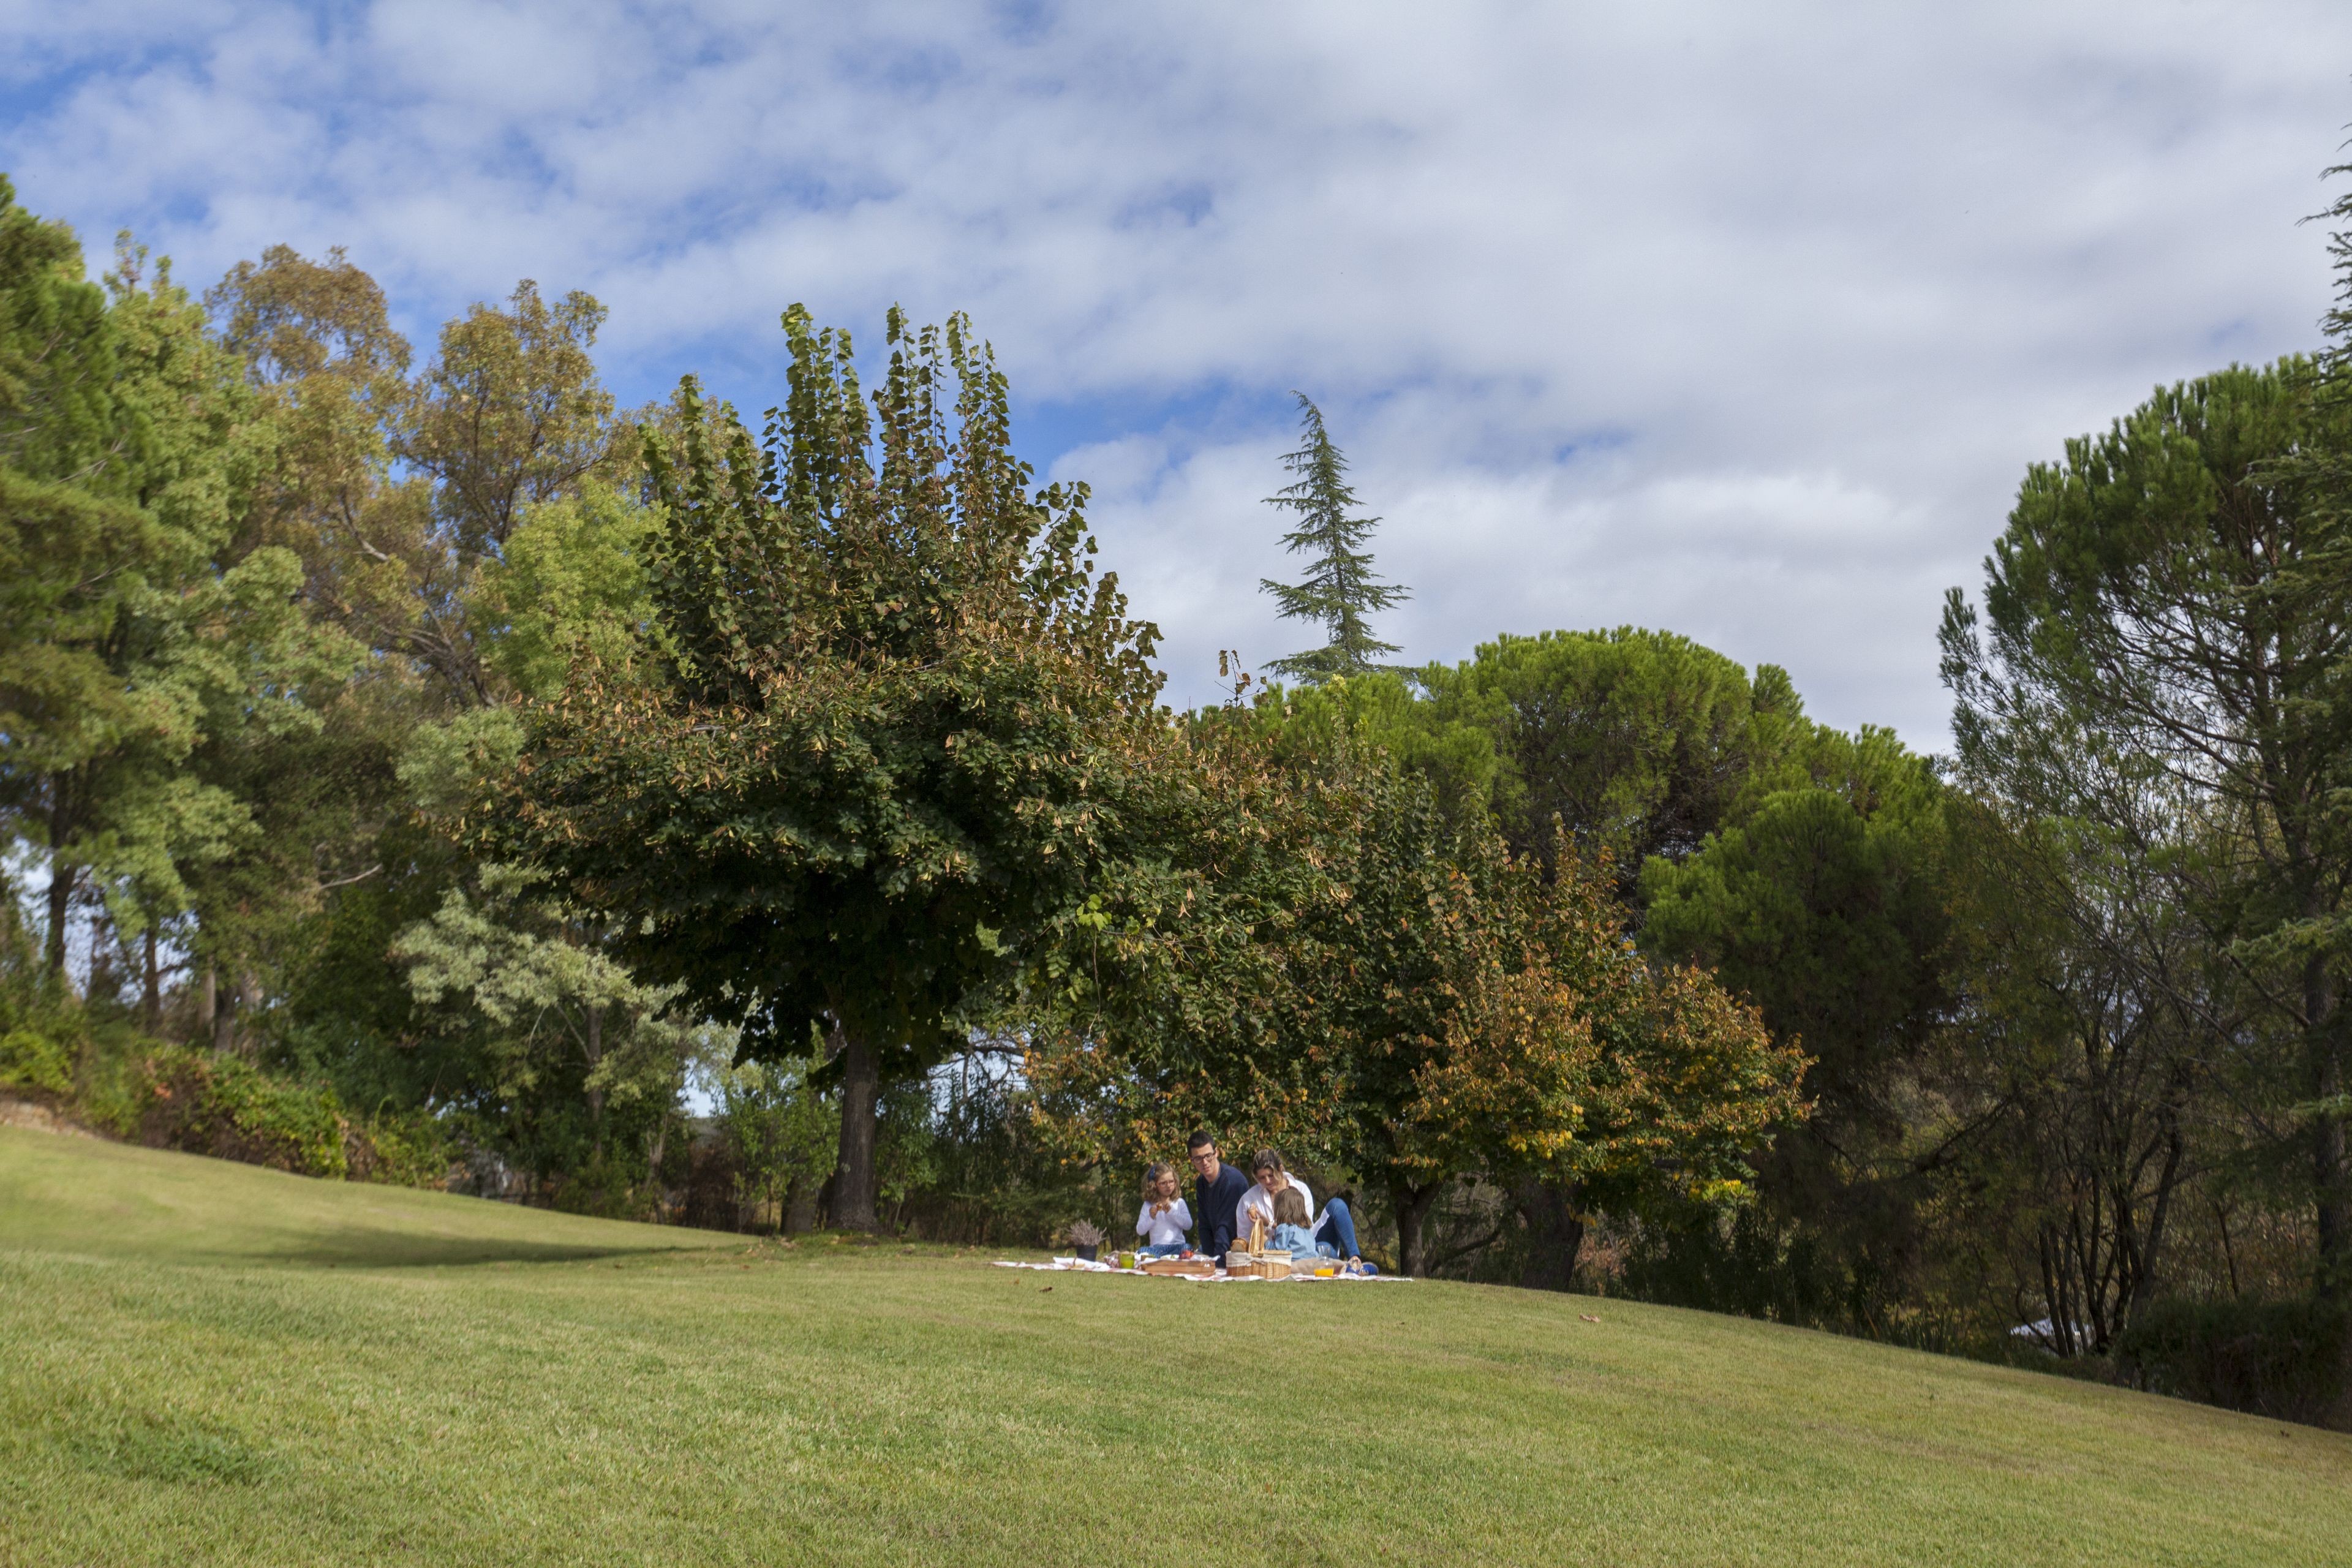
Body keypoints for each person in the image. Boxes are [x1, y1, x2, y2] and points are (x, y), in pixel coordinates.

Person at [1237, 1148, 1365, 1263]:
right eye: (1262, 1178)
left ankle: (1355, 1260)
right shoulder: (1249, 1199)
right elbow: (1244, 1239)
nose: (1268, 1181)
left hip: (1307, 1245)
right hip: (1278, 1254)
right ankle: (1337, 1266)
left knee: (1338, 1205)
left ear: (1281, 1169)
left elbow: (1302, 1230)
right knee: (1326, 1248)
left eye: (1271, 1175)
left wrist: (1269, 1224)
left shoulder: (1301, 1189)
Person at [1188, 1131, 1254, 1259]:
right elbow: (1204, 1224)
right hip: (1217, 1248)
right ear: (1192, 1161)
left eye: (1208, 1155)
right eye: (1198, 1158)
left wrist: (1217, 1261)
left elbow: (1227, 1226)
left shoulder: (1233, 1181)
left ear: (1216, 1152)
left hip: (1238, 1250)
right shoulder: (1201, 1182)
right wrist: (1208, 1257)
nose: (1205, 1162)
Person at [1134, 1162, 1193, 1256]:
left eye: (1171, 1181)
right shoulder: (1148, 1205)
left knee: (1187, 1248)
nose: (1168, 1186)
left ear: (1176, 1181)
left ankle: (1171, 1260)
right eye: (1163, 1183)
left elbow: (1188, 1225)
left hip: (1177, 1246)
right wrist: (1151, 1217)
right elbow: (1140, 1231)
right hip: (1157, 1248)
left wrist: (1172, 1212)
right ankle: (1162, 1260)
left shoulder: (1179, 1202)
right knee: (1142, 1251)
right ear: (1155, 1185)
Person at [1268, 1185, 1323, 1259]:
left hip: (1295, 1265)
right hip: (1312, 1262)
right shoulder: (1306, 1229)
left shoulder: (1285, 1228)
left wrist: (1265, 1242)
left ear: (1281, 1210)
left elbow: (1277, 1251)